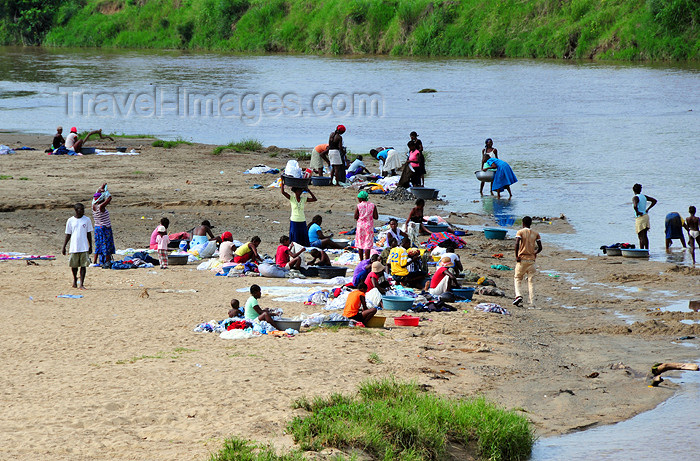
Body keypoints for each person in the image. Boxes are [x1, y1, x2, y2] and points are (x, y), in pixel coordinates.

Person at [513, 216, 542, 308]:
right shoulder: (535, 233)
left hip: (522, 259)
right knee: (531, 281)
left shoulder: (520, 232)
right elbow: (540, 247)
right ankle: (532, 302)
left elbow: (517, 243)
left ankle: (518, 295)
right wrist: (535, 252)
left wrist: (517, 255)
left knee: (517, 278)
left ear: (523, 223)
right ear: (531, 223)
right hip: (531, 260)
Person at [62, 203, 93, 290]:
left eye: (83, 209)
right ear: (76, 210)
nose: (83, 211)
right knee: (74, 265)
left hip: (84, 246)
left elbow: (88, 234)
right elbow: (68, 234)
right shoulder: (70, 220)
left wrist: (90, 245)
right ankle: (75, 279)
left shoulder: (87, 220)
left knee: (83, 266)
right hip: (74, 246)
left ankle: (81, 284)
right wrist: (64, 246)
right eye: (80, 209)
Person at [281, 182, 316, 247]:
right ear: (295, 191)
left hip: (302, 220)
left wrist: (309, 191)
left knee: (303, 235)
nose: (300, 193)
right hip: (294, 220)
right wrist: (282, 182)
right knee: (295, 235)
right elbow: (283, 192)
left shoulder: (303, 199)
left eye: (301, 191)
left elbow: (314, 199)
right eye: (299, 191)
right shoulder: (292, 198)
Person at [91, 183, 115, 266]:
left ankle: (94, 261)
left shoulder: (93, 205)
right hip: (104, 228)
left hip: (97, 228)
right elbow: (109, 199)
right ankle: (107, 262)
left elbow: (96, 195)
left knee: (98, 245)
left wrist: (100, 189)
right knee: (106, 245)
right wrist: (107, 191)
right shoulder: (101, 207)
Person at [354, 190, 378, 260]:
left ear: (361, 198)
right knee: (367, 243)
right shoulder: (372, 205)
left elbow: (355, 216)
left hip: (360, 226)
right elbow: (376, 217)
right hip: (369, 226)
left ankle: (361, 260)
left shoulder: (359, 206)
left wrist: (361, 217)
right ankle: (367, 260)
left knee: (360, 244)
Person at [632, 183, 657, 250]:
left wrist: (637, 212)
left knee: (640, 236)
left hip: (640, 217)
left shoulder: (635, 197)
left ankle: (642, 250)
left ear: (633, 190)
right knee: (645, 235)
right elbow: (654, 201)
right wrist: (648, 209)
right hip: (646, 216)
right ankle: (646, 250)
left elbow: (635, 206)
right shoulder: (644, 196)